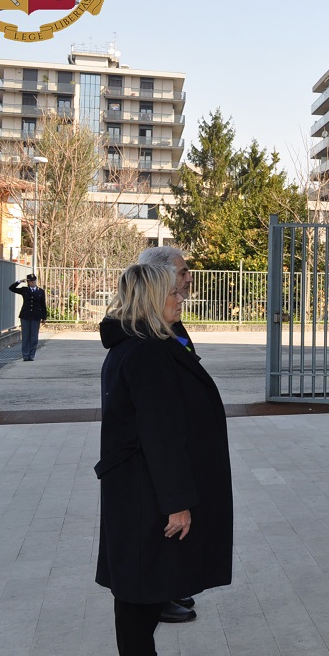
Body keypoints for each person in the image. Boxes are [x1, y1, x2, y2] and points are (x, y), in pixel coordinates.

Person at [95, 263, 233, 656]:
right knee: (141, 591)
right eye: (174, 294)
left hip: (139, 485)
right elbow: (160, 432)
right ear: (152, 300)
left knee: (145, 586)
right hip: (146, 491)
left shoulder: (141, 345)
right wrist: (177, 503)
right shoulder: (147, 354)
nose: (181, 300)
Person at [137, 246, 201, 623]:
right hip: (154, 458)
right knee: (163, 521)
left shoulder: (171, 321)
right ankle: (158, 595)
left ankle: (171, 586)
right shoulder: (145, 333)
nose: (188, 280)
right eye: (182, 274)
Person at [9, 274, 48, 361]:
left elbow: (43, 305)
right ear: (28, 282)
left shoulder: (40, 291)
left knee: (34, 337)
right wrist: (19, 281)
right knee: (26, 336)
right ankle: (25, 355)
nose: (33, 282)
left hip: (36, 316)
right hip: (25, 315)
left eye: (34, 280)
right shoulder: (24, 290)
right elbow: (11, 288)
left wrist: (44, 317)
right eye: (31, 281)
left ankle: (31, 355)